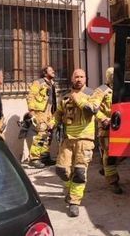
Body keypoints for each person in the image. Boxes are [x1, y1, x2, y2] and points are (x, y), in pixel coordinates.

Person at [52, 68, 101, 218]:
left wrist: (77, 97)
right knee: (61, 170)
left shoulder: (93, 93)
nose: (79, 79)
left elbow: (92, 109)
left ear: (85, 79)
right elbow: (58, 114)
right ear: (72, 79)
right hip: (67, 139)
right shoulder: (65, 96)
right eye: (76, 77)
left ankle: (74, 202)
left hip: (85, 140)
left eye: (81, 76)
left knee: (79, 172)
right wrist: (49, 124)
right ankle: (72, 189)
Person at [95, 67, 123, 195]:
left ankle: (105, 167)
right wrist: (103, 119)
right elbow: (93, 108)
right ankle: (113, 182)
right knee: (110, 155)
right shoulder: (101, 90)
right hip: (106, 129)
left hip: (120, 128)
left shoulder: (119, 90)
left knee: (122, 153)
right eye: (112, 75)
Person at [26, 65, 57, 169]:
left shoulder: (52, 84)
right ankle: (34, 158)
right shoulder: (38, 82)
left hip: (50, 112)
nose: (53, 71)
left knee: (49, 134)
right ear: (45, 73)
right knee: (41, 134)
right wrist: (31, 111)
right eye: (50, 70)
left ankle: (44, 156)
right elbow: (30, 96)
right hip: (40, 112)